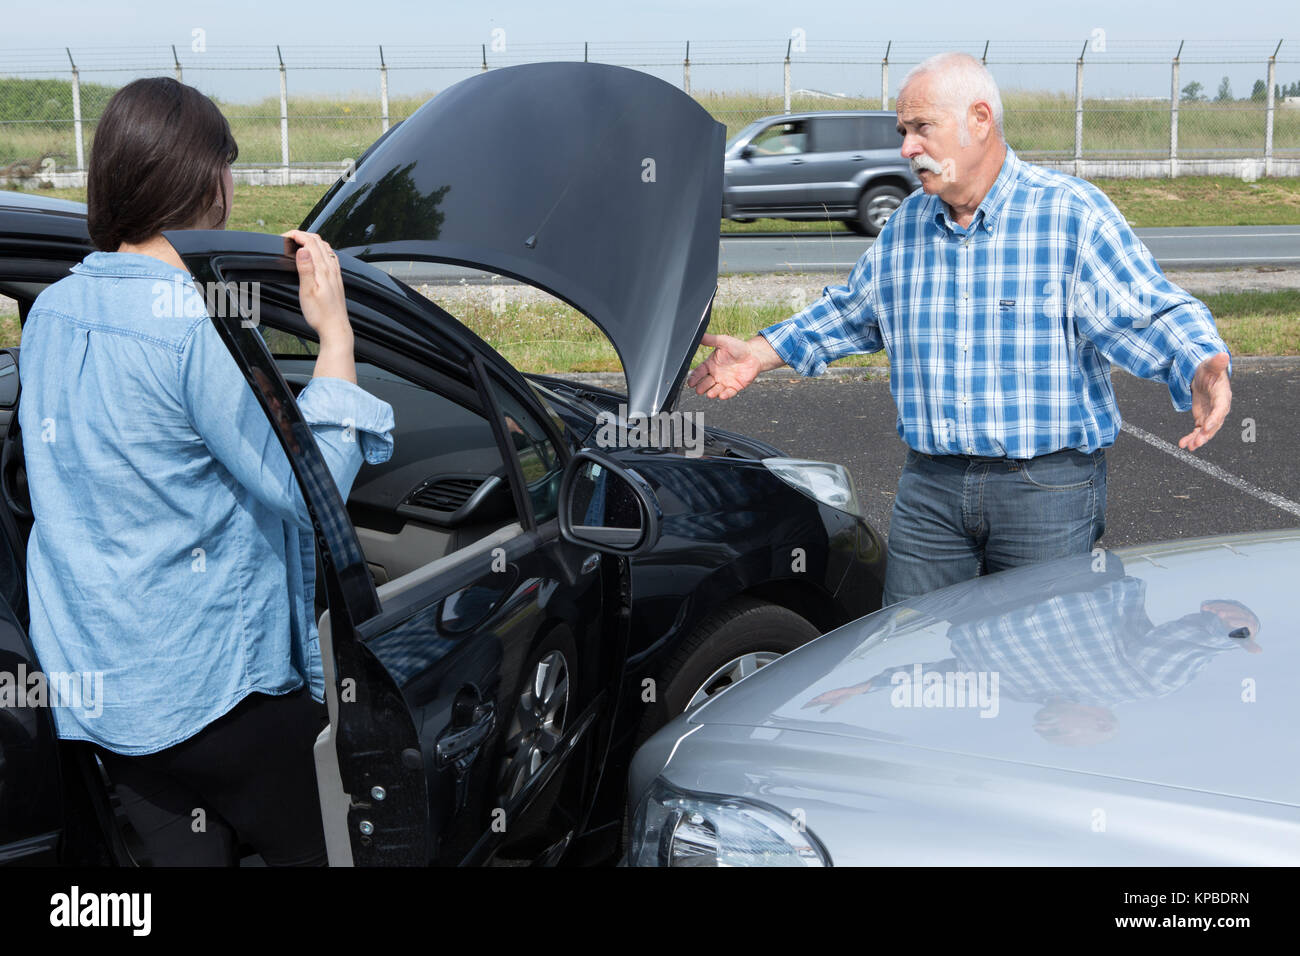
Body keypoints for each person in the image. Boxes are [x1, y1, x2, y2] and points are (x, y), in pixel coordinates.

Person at [689, 52, 1232, 606]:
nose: (905, 147)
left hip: (1045, 491)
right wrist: (759, 351)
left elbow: (1144, 309)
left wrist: (1200, 362)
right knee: (912, 649)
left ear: (979, 119)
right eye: (903, 131)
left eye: (921, 127)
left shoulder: (1069, 213)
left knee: (1043, 658)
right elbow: (853, 312)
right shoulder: (907, 225)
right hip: (931, 491)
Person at [18, 76, 395, 865]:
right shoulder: (188, 324)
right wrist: (334, 340)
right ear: (207, 182)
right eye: (226, 166)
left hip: (104, 689)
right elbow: (307, 493)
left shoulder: (50, 310)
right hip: (216, 694)